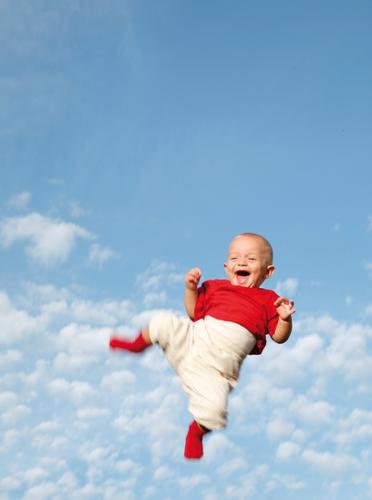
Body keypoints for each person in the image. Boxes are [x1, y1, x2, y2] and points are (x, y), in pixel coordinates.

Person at [109, 233, 295, 460]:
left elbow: (278, 336)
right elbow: (193, 311)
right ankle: (137, 344)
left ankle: (196, 432)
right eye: (235, 258)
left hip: (217, 368)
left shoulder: (269, 300)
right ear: (227, 267)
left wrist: (285, 319)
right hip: (194, 340)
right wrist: (190, 288)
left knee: (215, 411)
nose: (242, 262)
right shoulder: (215, 287)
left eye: (252, 259)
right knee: (162, 321)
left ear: (268, 271)